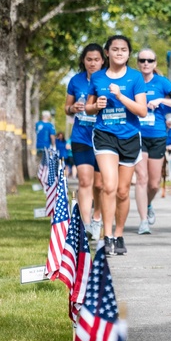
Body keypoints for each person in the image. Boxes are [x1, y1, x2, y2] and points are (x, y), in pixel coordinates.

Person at [84, 35, 147, 256]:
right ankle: (107, 235)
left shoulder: (136, 78)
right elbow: (89, 108)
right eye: (115, 49)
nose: (119, 53)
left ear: (129, 54)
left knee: (122, 192)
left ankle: (119, 234)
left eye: (123, 49)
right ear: (107, 53)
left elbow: (142, 111)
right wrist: (95, 106)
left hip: (129, 137)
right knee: (108, 186)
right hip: (105, 135)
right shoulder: (98, 77)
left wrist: (120, 96)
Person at [133, 48, 171, 234]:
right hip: (137, 136)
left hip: (157, 136)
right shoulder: (133, 81)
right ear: (138, 63)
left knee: (154, 184)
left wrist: (161, 101)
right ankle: (143, 221)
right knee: (141, 178)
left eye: (149, 60)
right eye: (142, 60)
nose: (146, 63)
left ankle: (147, 205)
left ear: (155, 63)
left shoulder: (162, 82)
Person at [65, 43, 105, 239]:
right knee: (84, 181)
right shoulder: (76, 80)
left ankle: (97, 218)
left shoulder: (107, 80)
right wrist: (73, 109)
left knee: (99, 185)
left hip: (103, 137)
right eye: (89, 59)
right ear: (83, 61)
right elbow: (67, 107)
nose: (92, 63)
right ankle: (86, 225)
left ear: (103, 61)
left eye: (96, 60)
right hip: (81, 136)